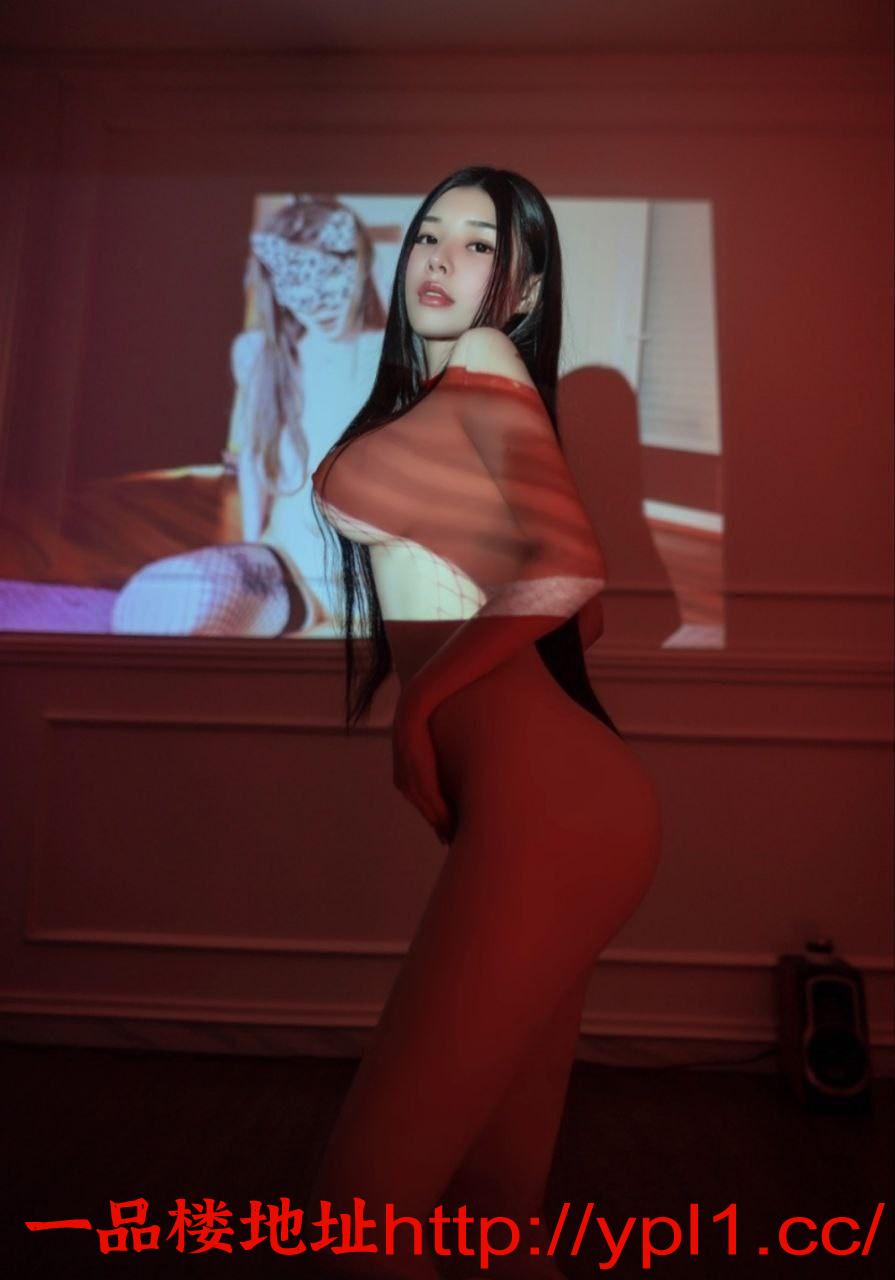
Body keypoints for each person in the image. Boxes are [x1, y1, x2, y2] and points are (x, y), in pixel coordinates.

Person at [305, 167, 663, 1279]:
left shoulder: (487, 361)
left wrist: (421, 702)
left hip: (548, 809)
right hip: (562, 806)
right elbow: (584, 617)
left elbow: (571, 575)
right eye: (429, 235)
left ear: (524, 288)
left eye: (479, 245)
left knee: (355, 1221)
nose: (440, 260)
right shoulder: (448, 404)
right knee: (491, 1217)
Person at [111, 195, 383, 638]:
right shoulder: (260, 356)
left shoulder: (403, 358)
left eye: (331, 274)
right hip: (291, 568)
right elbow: (255, 460)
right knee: (153, 605)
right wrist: (254, 552)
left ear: (360, 265)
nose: (317, 300)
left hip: (378, 582)